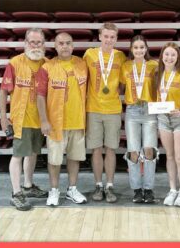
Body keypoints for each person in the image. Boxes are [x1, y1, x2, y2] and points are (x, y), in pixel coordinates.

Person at [36, 32, 88, 206]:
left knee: (74, 158)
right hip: (55, 124)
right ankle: (54, 190)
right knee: (55, 159)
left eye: (68, 43)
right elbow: (40, 96)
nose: (65, 46)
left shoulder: (82, 64)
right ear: (55, 46)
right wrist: (44, 120)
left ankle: (72, 189)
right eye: (61, 43)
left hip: (78, 122)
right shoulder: (47, 68)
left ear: (72, 45)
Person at [0, 28, 48, 211]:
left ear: (43, 44)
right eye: (32, 42)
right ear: (26, 43)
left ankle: (28, 186)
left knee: (33, 153)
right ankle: (16, 193)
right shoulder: (15, 63)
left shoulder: (47, 64)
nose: (35, 45)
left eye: (39, 42)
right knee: (18, 155)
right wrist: (4, 118)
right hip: (21, 119)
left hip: (40, 119)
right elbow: (3, 91)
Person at [83, 22, 126, 203]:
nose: (109, 40)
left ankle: (109, 186)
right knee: (96, 149)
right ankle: (98, 185)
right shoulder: (89, 54)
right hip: (93, 108)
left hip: (113, 109)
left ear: (116, 39)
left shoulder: (121, 56)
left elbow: (123, 83)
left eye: (112, 37)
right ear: (99, 36)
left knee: (111, 149)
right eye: (106, 36)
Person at [120, 35, 159, 203]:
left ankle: (148, 189)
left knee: (149, 151)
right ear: (131, 49)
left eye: (142, 47)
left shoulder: (154, 65)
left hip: (150, 110)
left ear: (146, 48)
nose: (139, 50)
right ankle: (136, 189)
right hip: (132, 110)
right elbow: (122, 86)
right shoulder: (125, 66)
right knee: (133, 151)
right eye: (136, 47)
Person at [157, 42, 180, 207]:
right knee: (169, 156)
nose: (169, 58)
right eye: (166, 54)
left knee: (179, 157)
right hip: (163, 119)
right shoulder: (158, 74)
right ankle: (172, 189)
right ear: (162, 56)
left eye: (172, 54)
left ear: (177, 57)